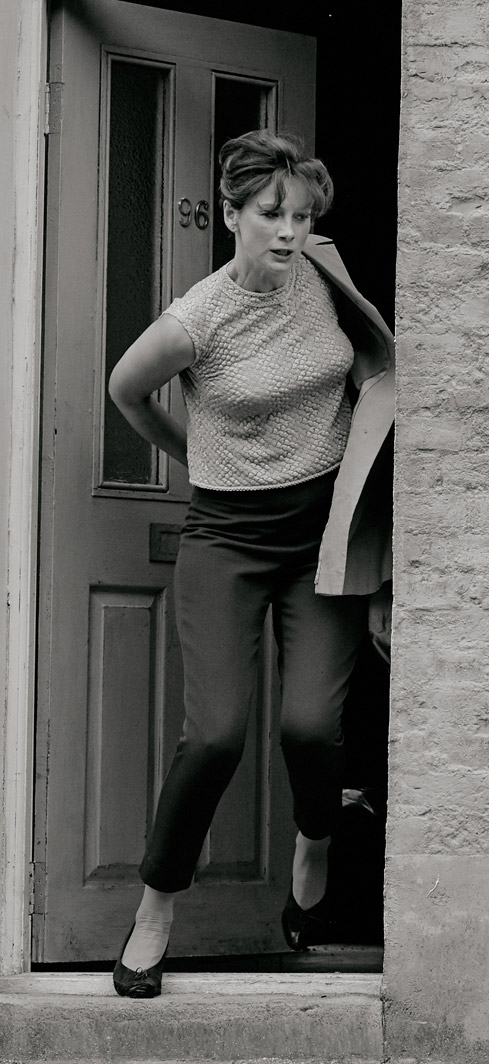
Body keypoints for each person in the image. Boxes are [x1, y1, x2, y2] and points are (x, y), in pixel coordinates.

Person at [103, 129, 394, 997]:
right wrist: (193, 454)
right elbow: (125, 391)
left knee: (310, 729)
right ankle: (155, 909)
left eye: (301, 215)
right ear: (231, 215)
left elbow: (376, 370)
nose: (289, 232)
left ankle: (316, 835)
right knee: (215, 736)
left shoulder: (325, 275)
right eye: (271, 214)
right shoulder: (197, 319)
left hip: (322, 539)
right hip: (226, 539)